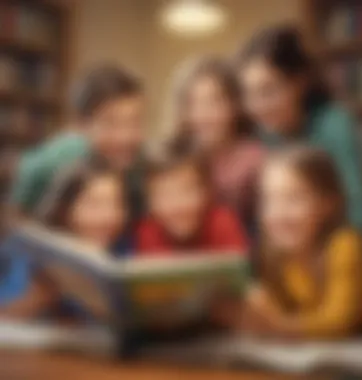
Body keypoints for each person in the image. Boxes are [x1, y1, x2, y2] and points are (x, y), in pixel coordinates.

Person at [1, 65, 144, 317]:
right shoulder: (55, 168)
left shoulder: (141, 176)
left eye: (134, 122)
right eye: (111, 123)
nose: (125, 137)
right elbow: (16, 220)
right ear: (82, 126)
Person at [236, 25, 362, 234]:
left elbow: (358, 213)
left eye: (269, 91)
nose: (256, 107)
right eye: (249, 93)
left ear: (299, 82)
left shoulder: (333, 125)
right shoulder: (260, 136)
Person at [244, 146, 362, 340]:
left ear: (327, 203)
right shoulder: (272, 253)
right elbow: (279, 312)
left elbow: (338, 322)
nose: (279, 212)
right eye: (269, 200)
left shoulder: (345, 245)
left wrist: (276, 326)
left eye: (294, 199)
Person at [167, 56, 263, 229]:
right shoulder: (173, 160)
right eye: (193, 104)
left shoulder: (254, 160)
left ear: (234, 105)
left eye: (215, 102)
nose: (204, 115)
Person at [36, 162, 132, 319]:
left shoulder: (125, 249)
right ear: (65, 210)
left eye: (117, 204)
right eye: (94, 205)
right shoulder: (40, 259)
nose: (109, 216)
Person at [137, 146, 248, 254]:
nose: (177, 205)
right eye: (164, 195)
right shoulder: (148, 233)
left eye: (187, 191)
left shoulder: (222, 223)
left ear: (206, 192)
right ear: (150, 203)